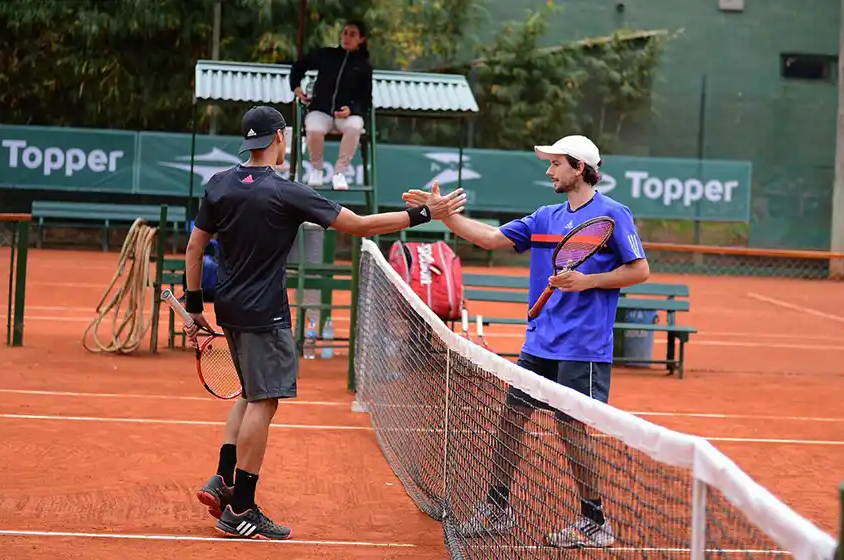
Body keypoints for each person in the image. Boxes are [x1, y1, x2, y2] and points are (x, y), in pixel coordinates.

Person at [184, 105, 465, 540]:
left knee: (248, 392)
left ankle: (222, 480)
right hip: (265, 313)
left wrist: (195, 304)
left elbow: (194, 245)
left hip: (230, 309)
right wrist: (424, 214)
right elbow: (360, 226)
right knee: (265, 400)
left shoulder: (218, 185)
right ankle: (241, 507)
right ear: (279, 138)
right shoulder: (286, 191)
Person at [402, 135, 650, 548]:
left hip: (584, 348)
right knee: (510, 422)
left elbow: (639, 270)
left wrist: (588, 281)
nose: (549, 171)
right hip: (539, 345)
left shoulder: (613, 215)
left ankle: (595, 521)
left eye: (556, 164)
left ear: (580, 168)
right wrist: (443, 216)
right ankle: (498, 508)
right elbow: (489, 238)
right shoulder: (545, 216)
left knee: (573, 431)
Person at [289, 19, 372, 190]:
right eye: (345, 33)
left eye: (352, 34)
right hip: (321, 110)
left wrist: (351, 110)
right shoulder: (327, 55)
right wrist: (296, 87)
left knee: (355, 126)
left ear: (361, 39)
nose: (347, 37)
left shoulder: (364, 66)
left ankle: (339, 173)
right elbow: (299, 66)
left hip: (346, 115)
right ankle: (316, 170)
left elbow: (365, 98)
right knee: (314, 129)